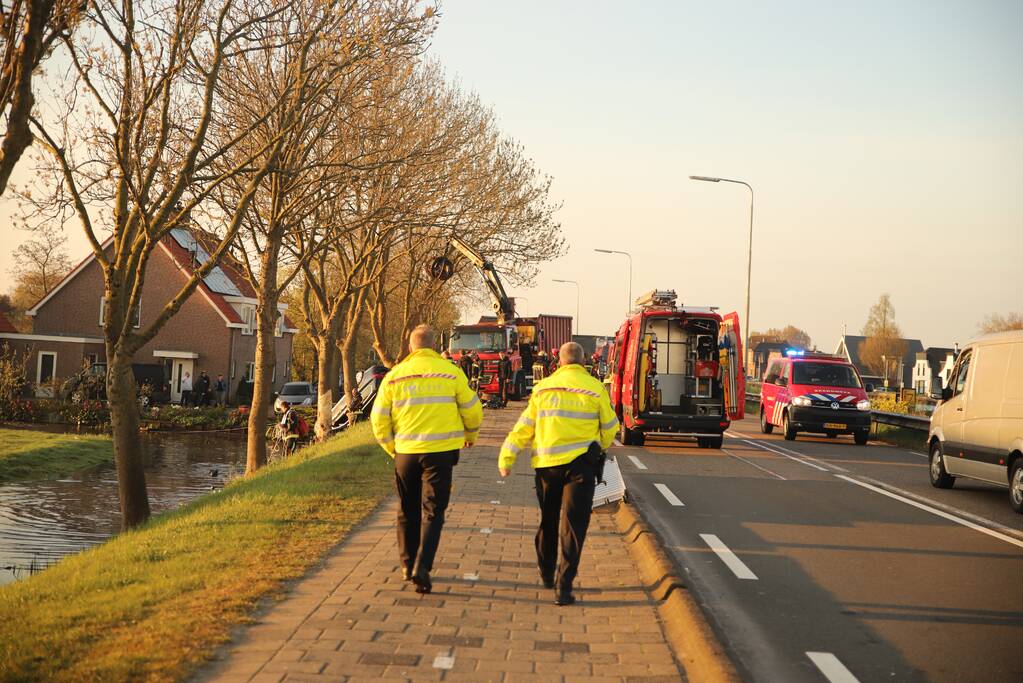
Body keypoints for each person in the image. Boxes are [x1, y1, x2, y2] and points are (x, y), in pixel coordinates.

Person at [499, 342, 618, 606]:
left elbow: (524, 427)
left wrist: (507, 456)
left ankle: (545, 568)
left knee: (549, 519)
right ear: (584, 361)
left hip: (547, 467)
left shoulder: (543, 389)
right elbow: (610, 427)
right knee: (574, 526)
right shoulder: (595, 388)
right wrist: (600, 444)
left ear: (560, 362)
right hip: (581, 467)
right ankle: (564, 586)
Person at [371, 325, 483, 594]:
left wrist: (392, 449)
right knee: (433, 511)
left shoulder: (394, 376)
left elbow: (378, 419)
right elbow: (473, 409)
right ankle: (423, 566)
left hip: (406, 453)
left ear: (410, 347)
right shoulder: (451, 372)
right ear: (434, 347)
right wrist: (470, 434)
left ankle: (407, 566)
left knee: (406, 509)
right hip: (441, 453)